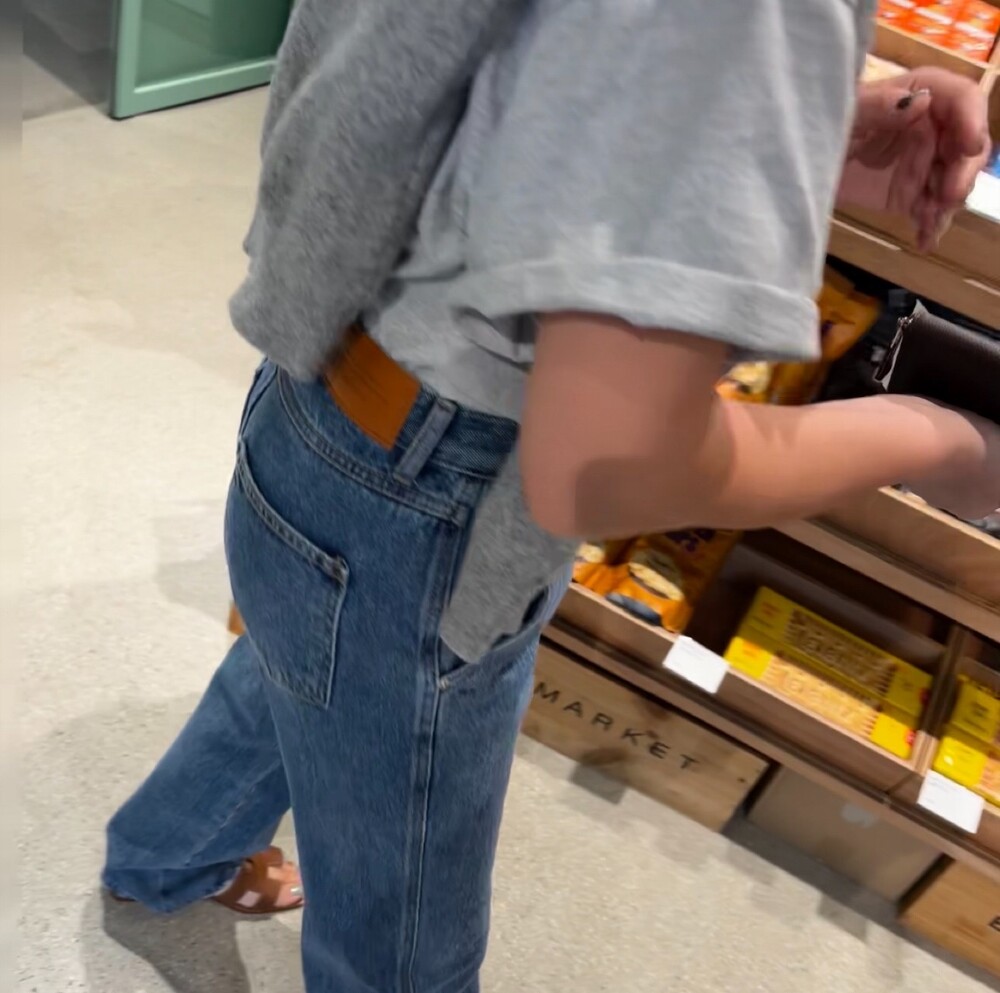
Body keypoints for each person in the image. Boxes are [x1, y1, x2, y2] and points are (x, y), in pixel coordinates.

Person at [103, 1, 998, 990]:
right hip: (438, 493)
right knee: (402, 945)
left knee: (310, 660)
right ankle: (169, 853)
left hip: (330, 356)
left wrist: (771, 123)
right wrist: (935, 439)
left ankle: (167, 853)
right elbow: (610, 465)